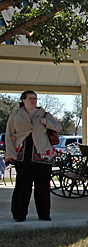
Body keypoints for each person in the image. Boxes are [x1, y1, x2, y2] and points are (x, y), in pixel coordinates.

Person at [5, 90, 60, 222]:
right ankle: (19, 214)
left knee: (43, 186)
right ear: (23, 100)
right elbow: (9, 134)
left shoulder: (43, 113)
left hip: (43, 154)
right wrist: (11, 154)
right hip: (23, 155)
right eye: (30, 98)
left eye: (35, 98)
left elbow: (57, 126)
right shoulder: (16, 114)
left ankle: (44, 214)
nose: (34, 101)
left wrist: (47, 122)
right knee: (22, 185)